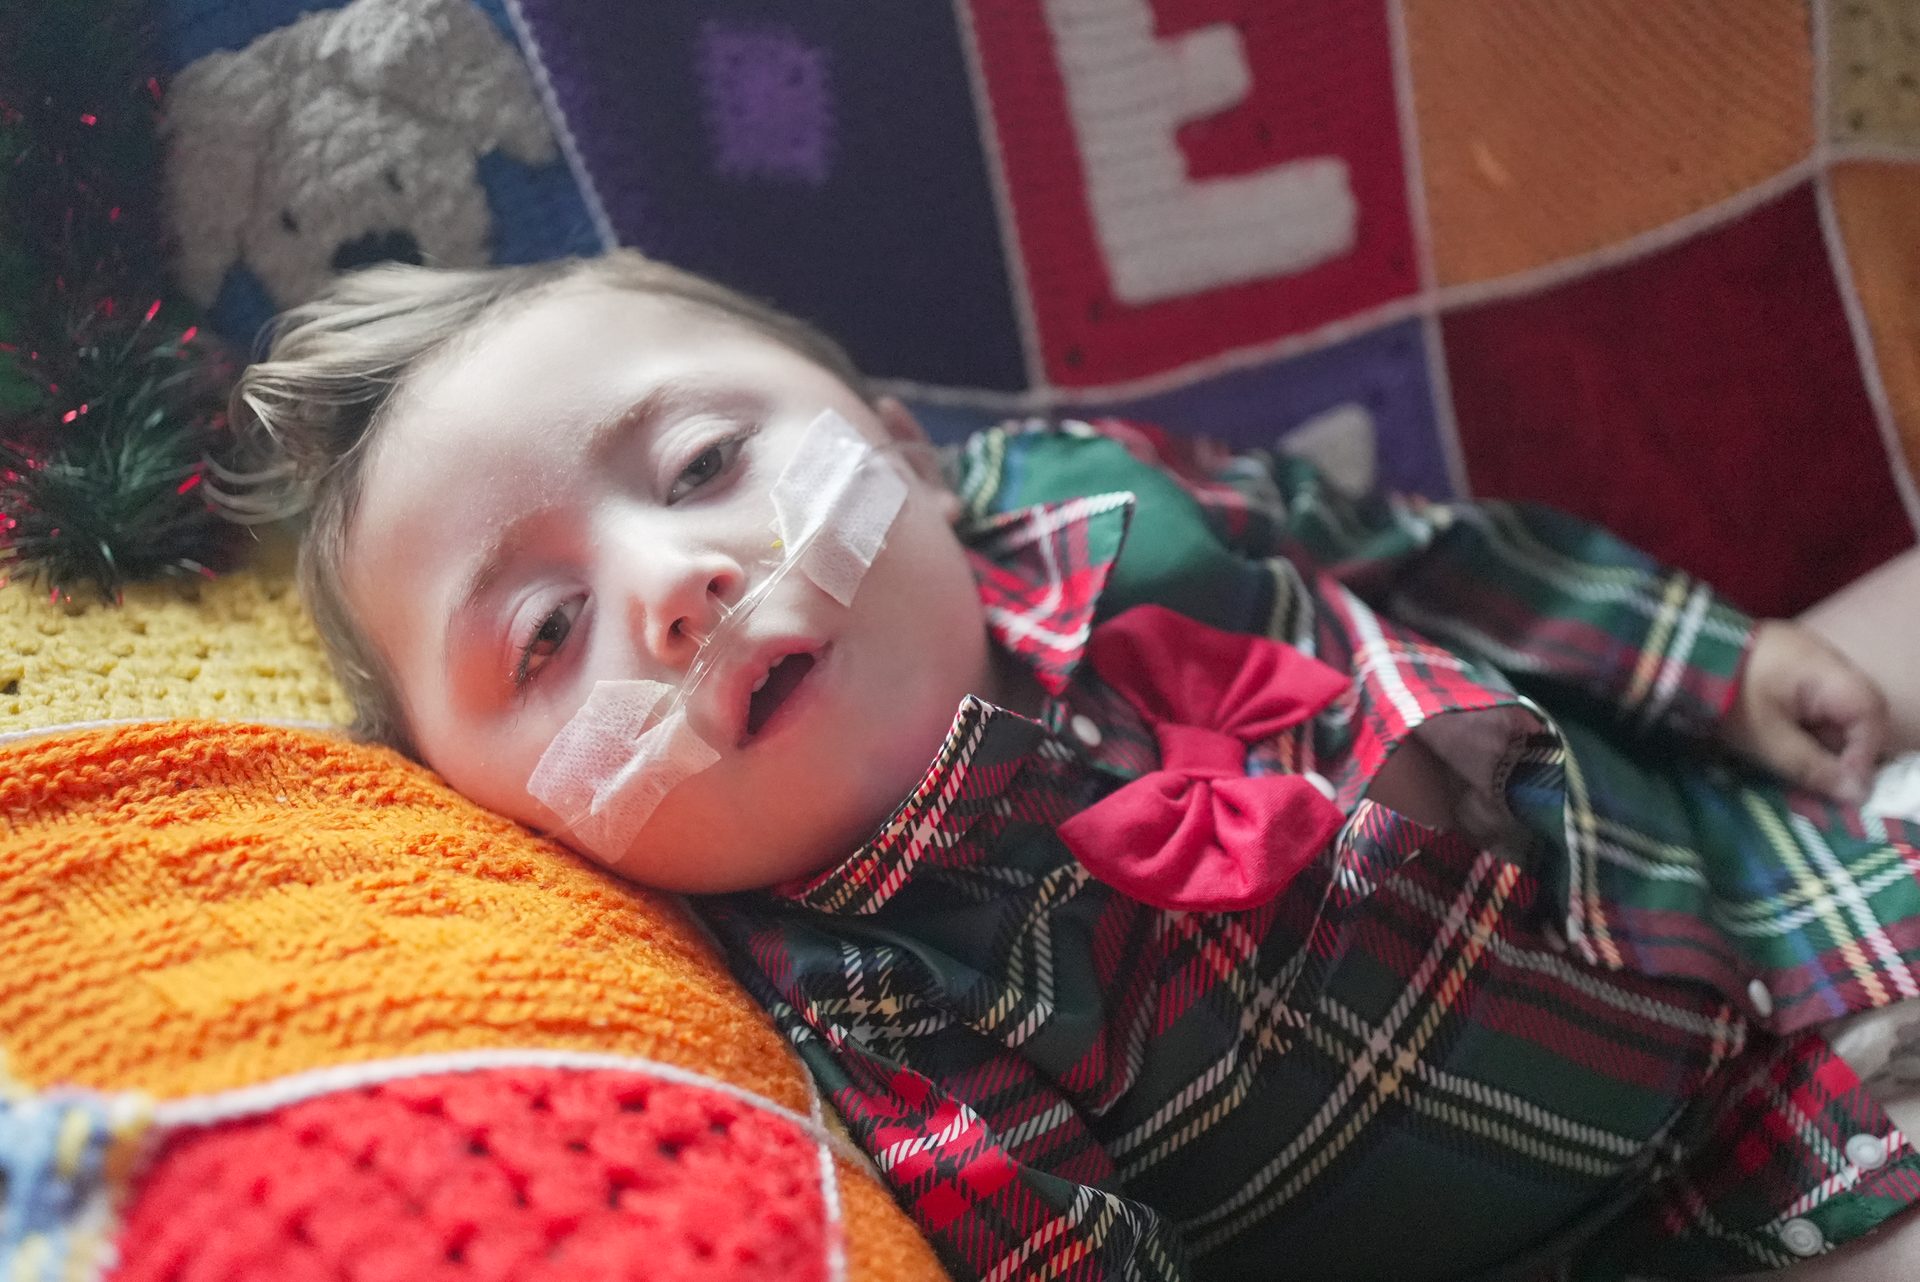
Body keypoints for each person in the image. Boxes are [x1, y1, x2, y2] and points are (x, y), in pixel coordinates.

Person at [225, 250, 1920, 1281]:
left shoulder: (1086, 493)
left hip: (1729, 857)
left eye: (704, 461)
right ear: (526, 833)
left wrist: (1713, 659)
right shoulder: (878, 1009)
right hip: (1659, 1210)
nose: (678, 585)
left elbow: (1414, 550)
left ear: (902, 448)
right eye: (544, 635)